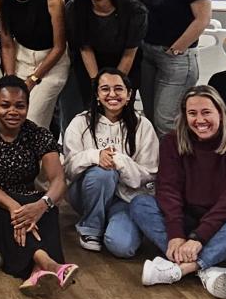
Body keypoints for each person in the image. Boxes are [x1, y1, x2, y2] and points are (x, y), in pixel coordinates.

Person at [128, 85, 226, 295]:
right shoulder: (172, 142)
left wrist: (198, 239)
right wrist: (176, 234)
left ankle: (184, 268)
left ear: (220, 113)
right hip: (190, 218)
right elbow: (168, 189)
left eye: (206, 112)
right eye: (192, 113)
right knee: (140, 204)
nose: (199, 120)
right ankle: (207, 266)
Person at [0, 77, 80, 295]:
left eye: (20, 105)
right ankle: (51, 265)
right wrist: (15, 207)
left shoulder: (39, 134)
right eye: (5, 105)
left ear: (27, 106)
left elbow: (58, 181)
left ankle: (37, 271)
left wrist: (42, 205)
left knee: (46, 205)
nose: (13, 111)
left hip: (25, 198)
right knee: (14, 214)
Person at [61, 67, 159, 257]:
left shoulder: (143, 125)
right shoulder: (80, 122)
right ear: (97, 94)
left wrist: (118, 160)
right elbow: (69, 169)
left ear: (129, 94)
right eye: (105, 89)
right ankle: (91, 228)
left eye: (119, 89)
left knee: (122, 247)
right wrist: (95, 156)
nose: (112, 94)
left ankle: (111, 222)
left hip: (125, 198)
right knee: (103, 173)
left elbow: (149, 175)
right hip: (86, 193)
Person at [138, 0, 212, 134]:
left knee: (167, 123)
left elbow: (202, 19)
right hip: (147, 54)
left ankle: (174, 168)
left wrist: (176, 48)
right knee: (149, 119)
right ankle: (153, 166)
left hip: (177, 59)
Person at [0, 0, 70, 132]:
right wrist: (11, 80)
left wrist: (32, 80)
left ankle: (40, 157)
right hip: (21, 56)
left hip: (52, 61)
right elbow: (7, 44)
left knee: (32, 119)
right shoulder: (0, 3)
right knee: (9, 117)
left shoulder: (53, 0)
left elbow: (60, 47)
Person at [69, 0, 147, 109]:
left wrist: (114, 87)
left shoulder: (135, 11)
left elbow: (129, 53)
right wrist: (97, 85)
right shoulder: (74, 9)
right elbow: (85, 48)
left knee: (119, 111)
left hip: (125, 67)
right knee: (92, 112)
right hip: (90, 69)